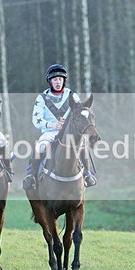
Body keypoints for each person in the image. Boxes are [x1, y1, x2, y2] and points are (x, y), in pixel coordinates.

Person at [22, 63, 96, 191]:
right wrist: (53, 124)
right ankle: (32, 176)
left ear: (63, 81)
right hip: (49, 132)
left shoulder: (72, 95)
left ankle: (87, 174)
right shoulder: (42, 98)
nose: (58, 82)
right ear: (50, 81)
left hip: (69, 133)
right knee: (41, 146)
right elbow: (36, 119)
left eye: (60, 79)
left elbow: (79, 114)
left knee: (83, 144)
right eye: (55, 79)